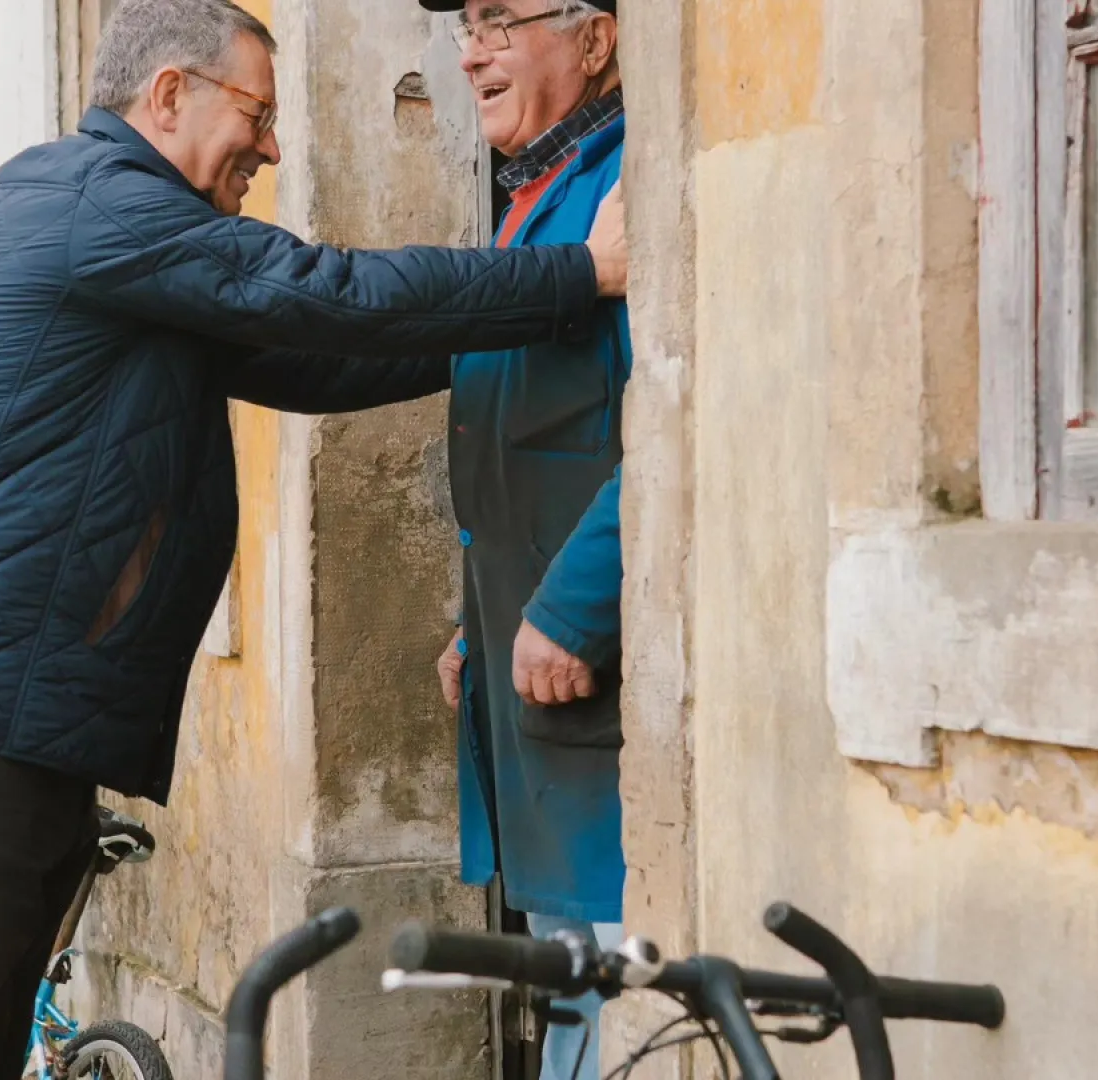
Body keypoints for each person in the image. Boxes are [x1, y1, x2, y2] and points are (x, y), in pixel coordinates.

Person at [0, 0, 627, 1076]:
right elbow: (315, 292)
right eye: (256, 113)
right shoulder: (93, 203)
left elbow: (322, 360)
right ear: (167, 96)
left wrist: (518, 327)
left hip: (1, 727)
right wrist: (579, 272)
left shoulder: (128, 243)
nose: (273, 145)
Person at [424, 2, 628, 1079]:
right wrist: (480, 617)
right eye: (468, 25)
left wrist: (570, 607)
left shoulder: (632, 181)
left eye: (501, 21)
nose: (471, 51)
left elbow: (674, 420)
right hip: (529, 687)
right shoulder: (541, 198)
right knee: (569, 988)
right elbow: (530, 443)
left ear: (594, 41)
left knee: (613, 1001)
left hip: (596, 688)